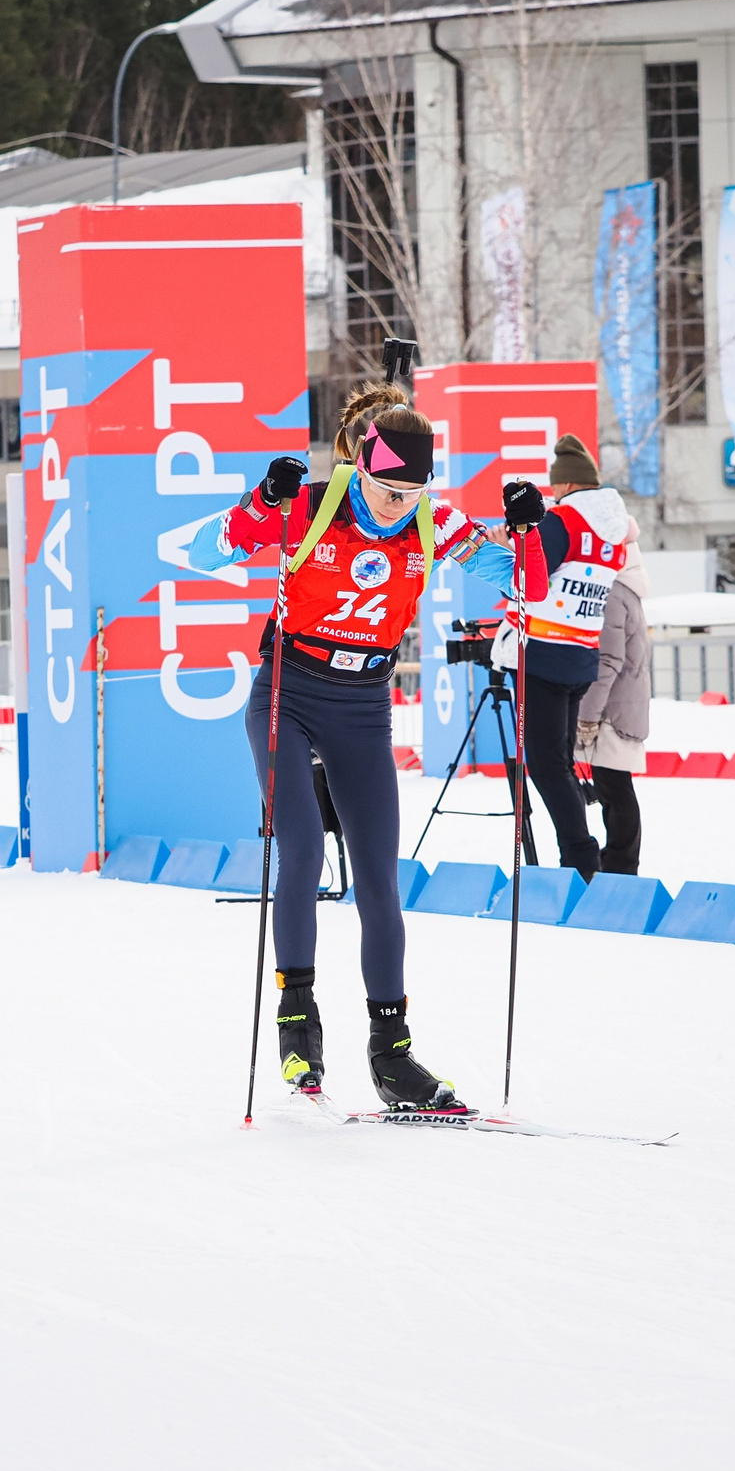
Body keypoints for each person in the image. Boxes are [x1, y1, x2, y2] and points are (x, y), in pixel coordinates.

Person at [188, 383, 546, 1113]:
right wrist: (263, 500)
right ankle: (297, 1020)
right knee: (302, 851)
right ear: (361, 465)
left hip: (363, 707)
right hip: (289, 693)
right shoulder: (313, 504)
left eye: (412, 492)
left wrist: (529, 530)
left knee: (380, 879)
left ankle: (392, 1055)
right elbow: (204, 552)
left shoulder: (433, 521)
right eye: (386, 490)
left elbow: (527, 588)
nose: (396, 506)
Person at [492, 435, 633, 879]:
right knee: (560, 762)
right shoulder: (613, 531)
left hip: (543, 653)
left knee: (546, 765)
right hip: (581, 654)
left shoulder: (562, 520)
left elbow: (529, 580)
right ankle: (581, 854)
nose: (552, 494)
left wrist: (504, 549)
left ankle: (580, 857)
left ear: (567, 485)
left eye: (555, 487)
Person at [577, 507, 652, 876]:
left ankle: (620, 866)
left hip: (611, 711)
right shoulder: (628, 589)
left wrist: (588, 716)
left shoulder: (610, 593)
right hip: (623, 704)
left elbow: (607, 660)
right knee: (614, 788)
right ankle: (620, 863)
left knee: (614, 789)